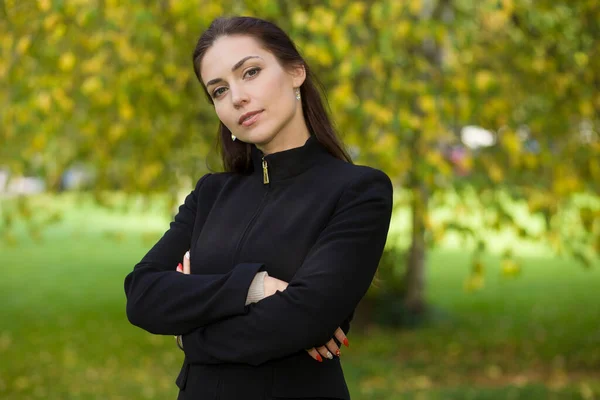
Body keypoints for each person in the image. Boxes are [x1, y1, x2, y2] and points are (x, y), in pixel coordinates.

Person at [124, 16, 393, 400]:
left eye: (250, 72)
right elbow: (143, 295)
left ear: (296, 71)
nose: (236, 98)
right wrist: (254, 287)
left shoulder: (358, 190)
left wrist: (189, 336)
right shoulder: (211, 194)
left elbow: (306, 319)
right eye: (218, 90)